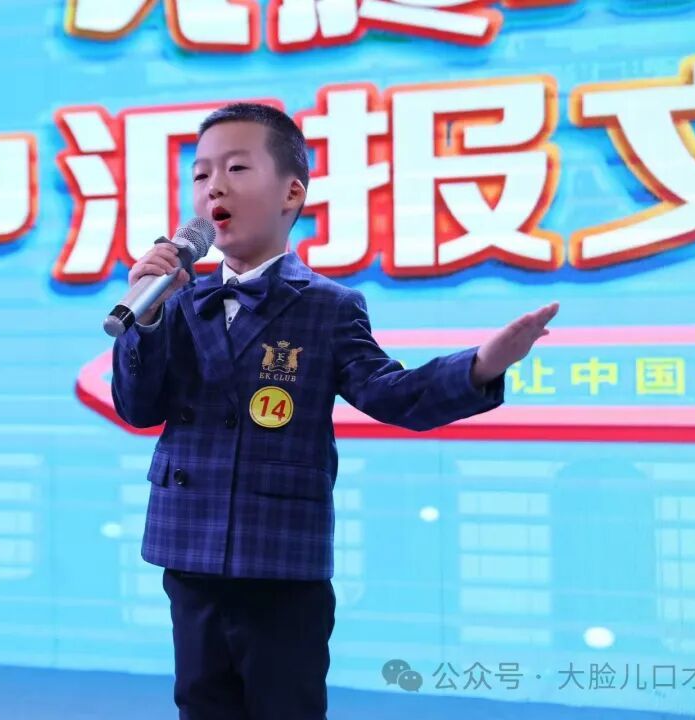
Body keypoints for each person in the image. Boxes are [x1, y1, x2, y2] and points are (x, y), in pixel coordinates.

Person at [110, 102, 558, 720]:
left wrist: (481, 365)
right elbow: (138, 408)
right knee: (201, 701)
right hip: (189, 544)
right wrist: (148, 316)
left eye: (236, 168)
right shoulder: (177, 300)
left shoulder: (328, 305)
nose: (214, 186)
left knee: (285, 705)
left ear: (292, 193)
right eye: (201, 173)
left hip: (281, 553)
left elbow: (393, 395)